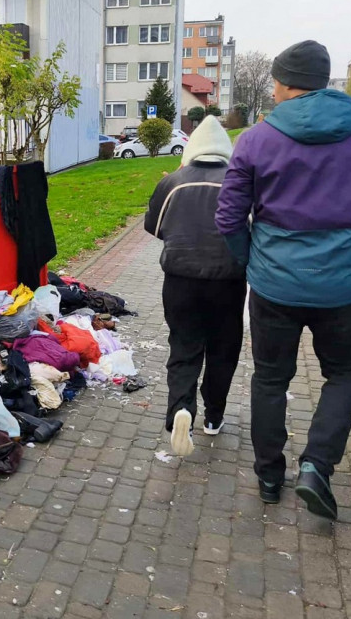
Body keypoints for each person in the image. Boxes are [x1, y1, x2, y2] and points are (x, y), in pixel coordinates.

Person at [215, 40, 351, 519]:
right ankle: (317, 466)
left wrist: (252, 261)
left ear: (283, 83)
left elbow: (229, 218)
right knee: (344, 373)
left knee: (271, 377)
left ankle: (267, 475)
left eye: (276, 83)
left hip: (275, 284)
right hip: (342, 284)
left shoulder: (256, 139)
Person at [145, 116, 247, 457]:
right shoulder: (240, 185)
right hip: (228, 283)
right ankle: (214, 417)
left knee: (184, 347)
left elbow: (154, 227)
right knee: (223, 351)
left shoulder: (173, 182)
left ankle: (180, 409)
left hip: (180, 283)